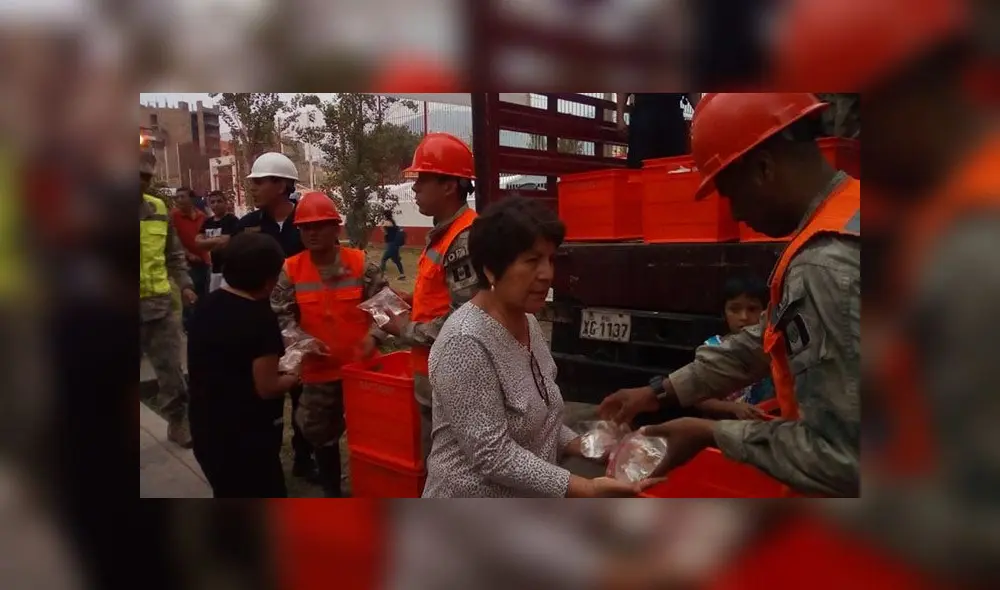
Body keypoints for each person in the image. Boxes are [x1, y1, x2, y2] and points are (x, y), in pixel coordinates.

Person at [599, 93, 860, 497]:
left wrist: (710, 433)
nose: (735, 212)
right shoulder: (853, 208)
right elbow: (768, 337)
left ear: (763, 168)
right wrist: (661, 391)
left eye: (729, 192)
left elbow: (843, 458)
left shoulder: (823, 265)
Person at [423, 196, 657, 498]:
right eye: (532, 261)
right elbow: (494, 455)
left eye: (550, 259)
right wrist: (585, 487)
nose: (547, 273)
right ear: (491, 270)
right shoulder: (466, 343)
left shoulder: (527, 321)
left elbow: (542, 420)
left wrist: (592, 447)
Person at [270, 192, 389, 497]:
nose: (312, 233)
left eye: (320, 225)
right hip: (320, 373)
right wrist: (302, 341)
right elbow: (280, 318)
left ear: (336, 227)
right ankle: (332, 493)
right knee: (321, 437)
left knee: (375, 436)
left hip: (363, 372)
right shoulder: (290, 269)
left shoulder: (361, 264)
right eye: (305, 227)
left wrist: (373, 336)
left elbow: (388, 309)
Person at [379, 133, 481, 462]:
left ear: (449, 185)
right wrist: (407, 298)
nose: (414, 188)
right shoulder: (444, 231)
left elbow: (466, 322)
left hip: (453, 382)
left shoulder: (463, 238)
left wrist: (404, 328)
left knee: (450, 469)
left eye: (422, 180)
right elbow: (441, 295)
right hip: (435, 377)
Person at [188, 232, 298, 498]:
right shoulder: (260, 318)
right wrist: (296, 374)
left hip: (206, 428)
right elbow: (267, 387)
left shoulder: (206, 304)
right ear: (270, 279)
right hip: (246, 437)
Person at [237, 151, 318, 482]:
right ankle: (265, 457)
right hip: (259, 325)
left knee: (303, 393)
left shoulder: (309, 223)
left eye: (259, 182)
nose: (253, 188)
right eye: (253, 182)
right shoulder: (247, 227)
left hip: (302, 322)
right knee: (264, 392)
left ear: (282, 184)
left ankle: (304, 456)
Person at [140, 152, 197, 447]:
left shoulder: (158, 209)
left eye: (145, 177)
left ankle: (177, 423)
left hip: (159, 306)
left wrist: (185, 285)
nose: (140, 183)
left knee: (172, 372)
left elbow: (173, 255)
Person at [693, 275, 774, 421]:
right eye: (734, 310)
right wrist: (733, 408)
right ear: (724, 312)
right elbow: (698, 398)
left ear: (765, 312)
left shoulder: (772, 348)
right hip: (721, 427)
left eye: (752, 309)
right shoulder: (712, 348)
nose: (743, 317)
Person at [617, 93, 702, 169]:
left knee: (674, 166)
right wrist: (620, 117)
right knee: (639, 165)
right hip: (644, 116)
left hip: (672, 117)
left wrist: (700, 116)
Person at [170, 187, 211, 330]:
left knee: (203, 296)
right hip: (185, 263)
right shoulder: (173, 216)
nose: (179, 200)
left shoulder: (202, 216)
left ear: (192, 199)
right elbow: (173, 241)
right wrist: (187, 254)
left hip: (204, 262)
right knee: (188, 295)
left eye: (182, 197)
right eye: (177, 197)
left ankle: (202, 326)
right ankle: (189, 326)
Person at [196, 190, 240, 292]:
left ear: (226, 203)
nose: (216, 204)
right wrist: (217, 240)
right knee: (214, 298)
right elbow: (198, 242)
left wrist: (207, 242)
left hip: (230, 269)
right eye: (212, 202)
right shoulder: (208, 222)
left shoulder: (232, 220)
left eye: (219, 201)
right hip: (214, 269)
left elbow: (225, 241)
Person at [380, 214, 406, 279]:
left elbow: (383, 229)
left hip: (392, 245)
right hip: (394, 245)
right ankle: (402, 274)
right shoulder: (392, 223)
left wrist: (382, 223)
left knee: (384, 259)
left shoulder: (388, 223)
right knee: (396, 260)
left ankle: (381, 275)